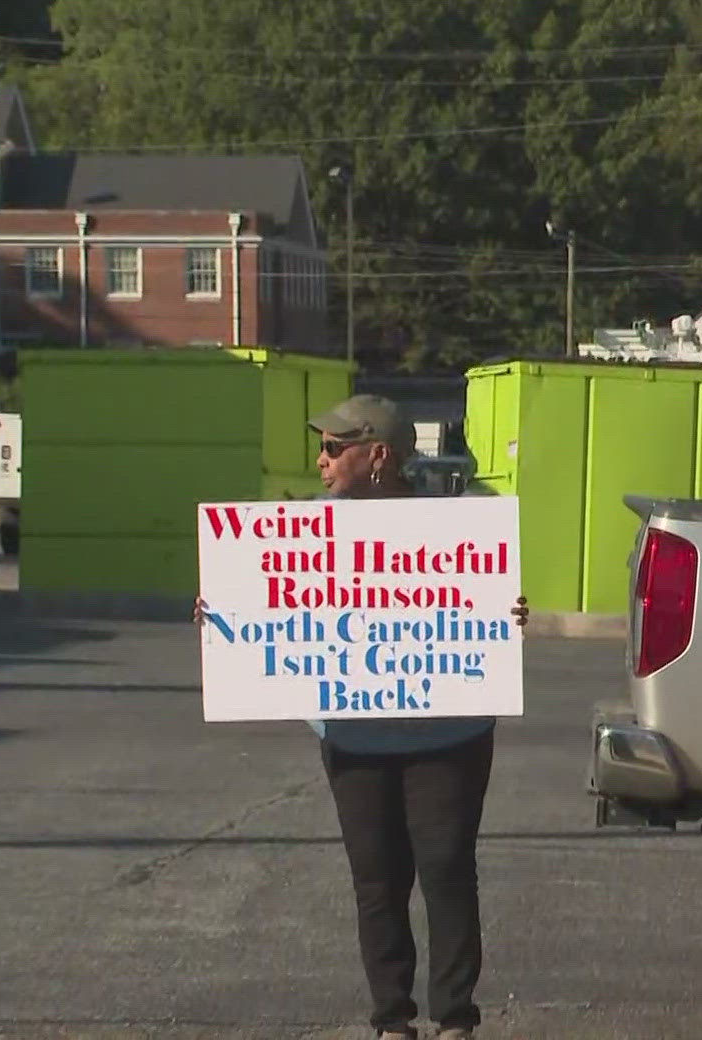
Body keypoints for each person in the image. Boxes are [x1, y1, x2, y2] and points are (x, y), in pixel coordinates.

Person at [199, 394, 524, 1040]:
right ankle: (391, 1019)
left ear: (379, 455)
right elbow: (264, 603)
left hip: (449, 731)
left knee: (446, 868)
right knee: (376, 878)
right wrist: (221, 614)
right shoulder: (303, 532)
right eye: (321, 447)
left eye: (334, 447)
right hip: (353, 735)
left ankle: (455, 1017)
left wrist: (509, 615)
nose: (321, 460)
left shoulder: (458, 527)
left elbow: (488, 604)